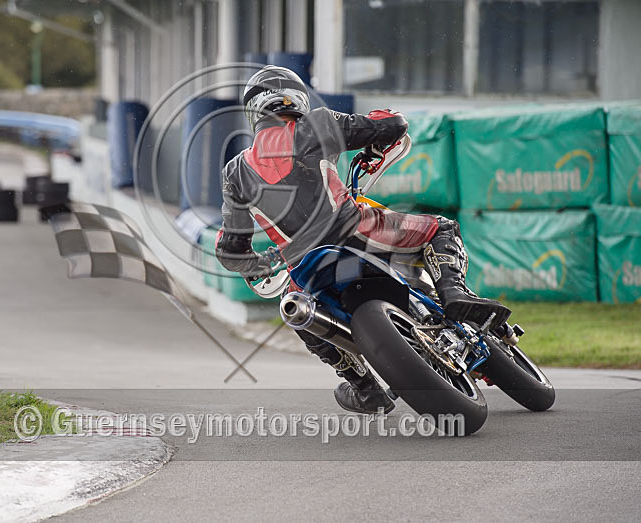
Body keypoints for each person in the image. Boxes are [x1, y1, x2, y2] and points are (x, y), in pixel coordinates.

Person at [215, 65, 510, 414]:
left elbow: (229, 249)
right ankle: (454, 293)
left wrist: (263, 263)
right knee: (440, 229)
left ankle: (364, 387)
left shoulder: (235, 171)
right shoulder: (317, 124)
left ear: (253, 110)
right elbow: (393, 125)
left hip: (302, 265)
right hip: (355, 229)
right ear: (297, 99)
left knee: (297, 310)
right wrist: (377, 135)